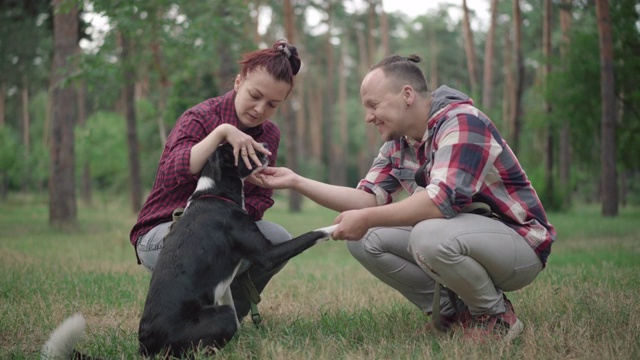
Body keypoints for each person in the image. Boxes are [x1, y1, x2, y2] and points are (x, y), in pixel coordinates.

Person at [250, 54, 556, 341]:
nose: (369, 117)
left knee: (427, 233)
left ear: (407, 95)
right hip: (464, 238)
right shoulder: (401, 144)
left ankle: (496, 316)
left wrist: (367, 217)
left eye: (373, 105)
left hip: (520, 246)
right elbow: (366, 199)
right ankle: (452, 315)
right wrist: (296, 181)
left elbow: (441, 201)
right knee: (365, 238)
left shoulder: (463, 122)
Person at [130, 40, 302, 322]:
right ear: (238, 82)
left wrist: (241, 210)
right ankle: (179, 320)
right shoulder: (199, 118)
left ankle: (226, 320)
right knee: (212, 242)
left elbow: (260, 200)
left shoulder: (269, 134)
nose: (260, 110)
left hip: (218, 232)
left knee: (277, 239)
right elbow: (171, 173)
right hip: (163, 233)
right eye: (254, 96)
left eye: (272, 104)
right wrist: (222, 133)